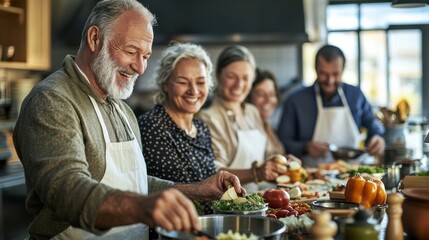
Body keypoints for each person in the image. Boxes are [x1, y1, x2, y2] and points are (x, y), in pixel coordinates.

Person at [12, 1, 244, 239]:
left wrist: (196, 190)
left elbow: (135, 185)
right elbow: (67, 192)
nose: (140, 67)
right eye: (132, 51)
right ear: (94, 39)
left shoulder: (122, 109)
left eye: (146, 56)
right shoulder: (52, 100)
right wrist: (143, 207)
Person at [199, 45, 292, 192]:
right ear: (218, 75)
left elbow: (270, 154)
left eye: (245, 78)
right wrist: (256, 173)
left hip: (258, 200)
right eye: (231, 77)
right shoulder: (209, 118)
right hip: (227, 205)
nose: (239, 85)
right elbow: (212, 173)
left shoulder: (252, 112)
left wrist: (284, 163)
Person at [137, 42, 216, 213]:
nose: (193, 91)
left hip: (206, 227)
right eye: (183, 82)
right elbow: (148, 188)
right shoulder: (152, 126)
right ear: (165, 84)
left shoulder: (202, 129)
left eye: (201, 82)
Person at [277, 44, 385, 167]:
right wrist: (305, 147)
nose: (330, 81)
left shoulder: (355, 95)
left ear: (343, 70)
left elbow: (373, 124)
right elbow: (283, 142)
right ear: (316, 69)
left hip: (353, 174)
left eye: (335, 74)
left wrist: (377, 137)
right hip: (311, 177)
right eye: (324, 74)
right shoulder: (295, 100)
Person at [246, 68, 286, 156]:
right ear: (248, 96)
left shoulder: (268, 126)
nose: (268, 100)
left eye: (272, 94)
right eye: (260, 94)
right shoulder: (247, 128)